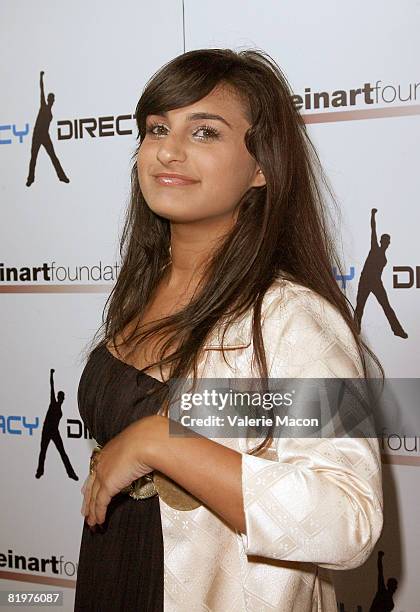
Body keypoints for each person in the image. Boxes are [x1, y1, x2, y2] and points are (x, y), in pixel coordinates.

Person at [75, 48, 384, 611]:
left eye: (206, 133)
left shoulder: (294, 319)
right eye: (157, 128)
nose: (167, 150)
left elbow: (350, 516)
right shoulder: (142, 290)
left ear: (262, 166)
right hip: (114, 577)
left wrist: (158, 442)